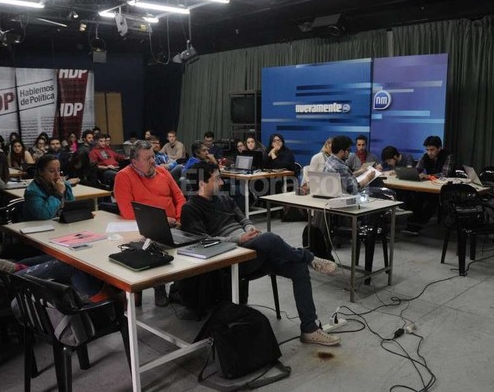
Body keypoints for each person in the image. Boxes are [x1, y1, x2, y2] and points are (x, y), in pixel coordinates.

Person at [181, 161, 341, 346]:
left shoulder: (224, 199)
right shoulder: (190, 209)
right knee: (270, 238)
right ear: (202, 183)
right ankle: (309, 258)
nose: (222, 182)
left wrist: (249, 229)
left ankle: (309, 329)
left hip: (253, 251)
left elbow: (243, 219)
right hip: (232, 259)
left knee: (298, 269)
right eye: (217, 179)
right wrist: (240, 239)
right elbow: (205, 241)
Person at [113, 140, 186, 307]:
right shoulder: (123, 176)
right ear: (134, 162)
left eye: (153, 156)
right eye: (147, 159)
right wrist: (160, 221)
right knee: (152, 242)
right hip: (145, 228)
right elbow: (127, 211)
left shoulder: (163, 171)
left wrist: (180, 220)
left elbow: (179, 197)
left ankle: (180, 289)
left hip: (174, 224)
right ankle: (158, 284)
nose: (153, 161)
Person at [402, 136, 455, 234]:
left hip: (444, 189)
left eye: (432, 150)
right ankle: (412, 223)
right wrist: (414, 174)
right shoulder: (425, 157)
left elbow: (445, 174)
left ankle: (417, 226)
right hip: (429, 187)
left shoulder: (448, 156)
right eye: (427, 150)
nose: (429, 152)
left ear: (439, 148)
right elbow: (417, 169)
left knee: (432, 201)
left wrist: (428, 176)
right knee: (414, 196)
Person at [23, 154, 74, 220]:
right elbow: (44, 215)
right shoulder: (33, 191)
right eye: (51, 171)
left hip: (59, 223)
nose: (57, 174)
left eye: (58, 170)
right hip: (38, 224)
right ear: (40, 172)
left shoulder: (64, 185)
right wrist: (58, 193)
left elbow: (72, 210)